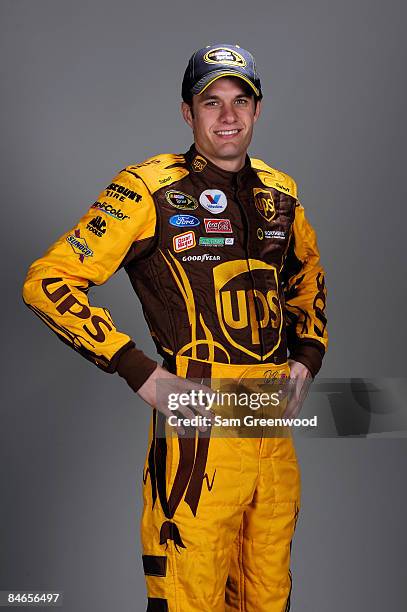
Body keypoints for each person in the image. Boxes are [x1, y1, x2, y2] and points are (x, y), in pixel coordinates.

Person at [23, 43, 328, 612]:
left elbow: (307, 280)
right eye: (211, 101)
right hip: (198, 435)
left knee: (270, 596)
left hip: (270, 429)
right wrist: (139, 372)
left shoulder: (282, 194)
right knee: (190, 599)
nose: (228, 116)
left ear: (258, 110)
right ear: (188, 112)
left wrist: (307, 357)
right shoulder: (148, 189)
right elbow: (48, 282)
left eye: (241, 100)